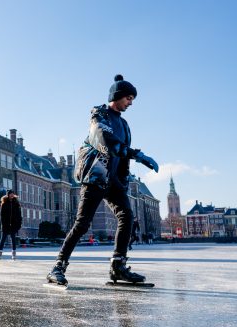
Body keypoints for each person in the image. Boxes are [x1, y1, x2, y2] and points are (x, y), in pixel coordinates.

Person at [46, 74, 159, 285]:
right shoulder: (99, 115)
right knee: (82, 224)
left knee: (127, 216)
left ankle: (118, 266)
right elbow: (104, 138)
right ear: (117, 96)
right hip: (96, 175)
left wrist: (123, 181)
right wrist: (137, 154)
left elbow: (123, 158)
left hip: (114, 180)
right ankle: (57, 267)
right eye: (128, 98)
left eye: (132, 99)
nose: (131, 103)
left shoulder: (125, 125)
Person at [0, 189, 22, 260]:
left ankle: (13, 253)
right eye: (10, 194)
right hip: (6, 224)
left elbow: (19, 215)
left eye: (12, 194)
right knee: (3, 239)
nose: (12, 195)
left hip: (14, 224)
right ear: (8, 195)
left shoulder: (16, 204)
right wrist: (3, 224)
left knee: (13, 239)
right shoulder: (4, 204)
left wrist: (19, 223)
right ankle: (0, 253)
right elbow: (2, 215)